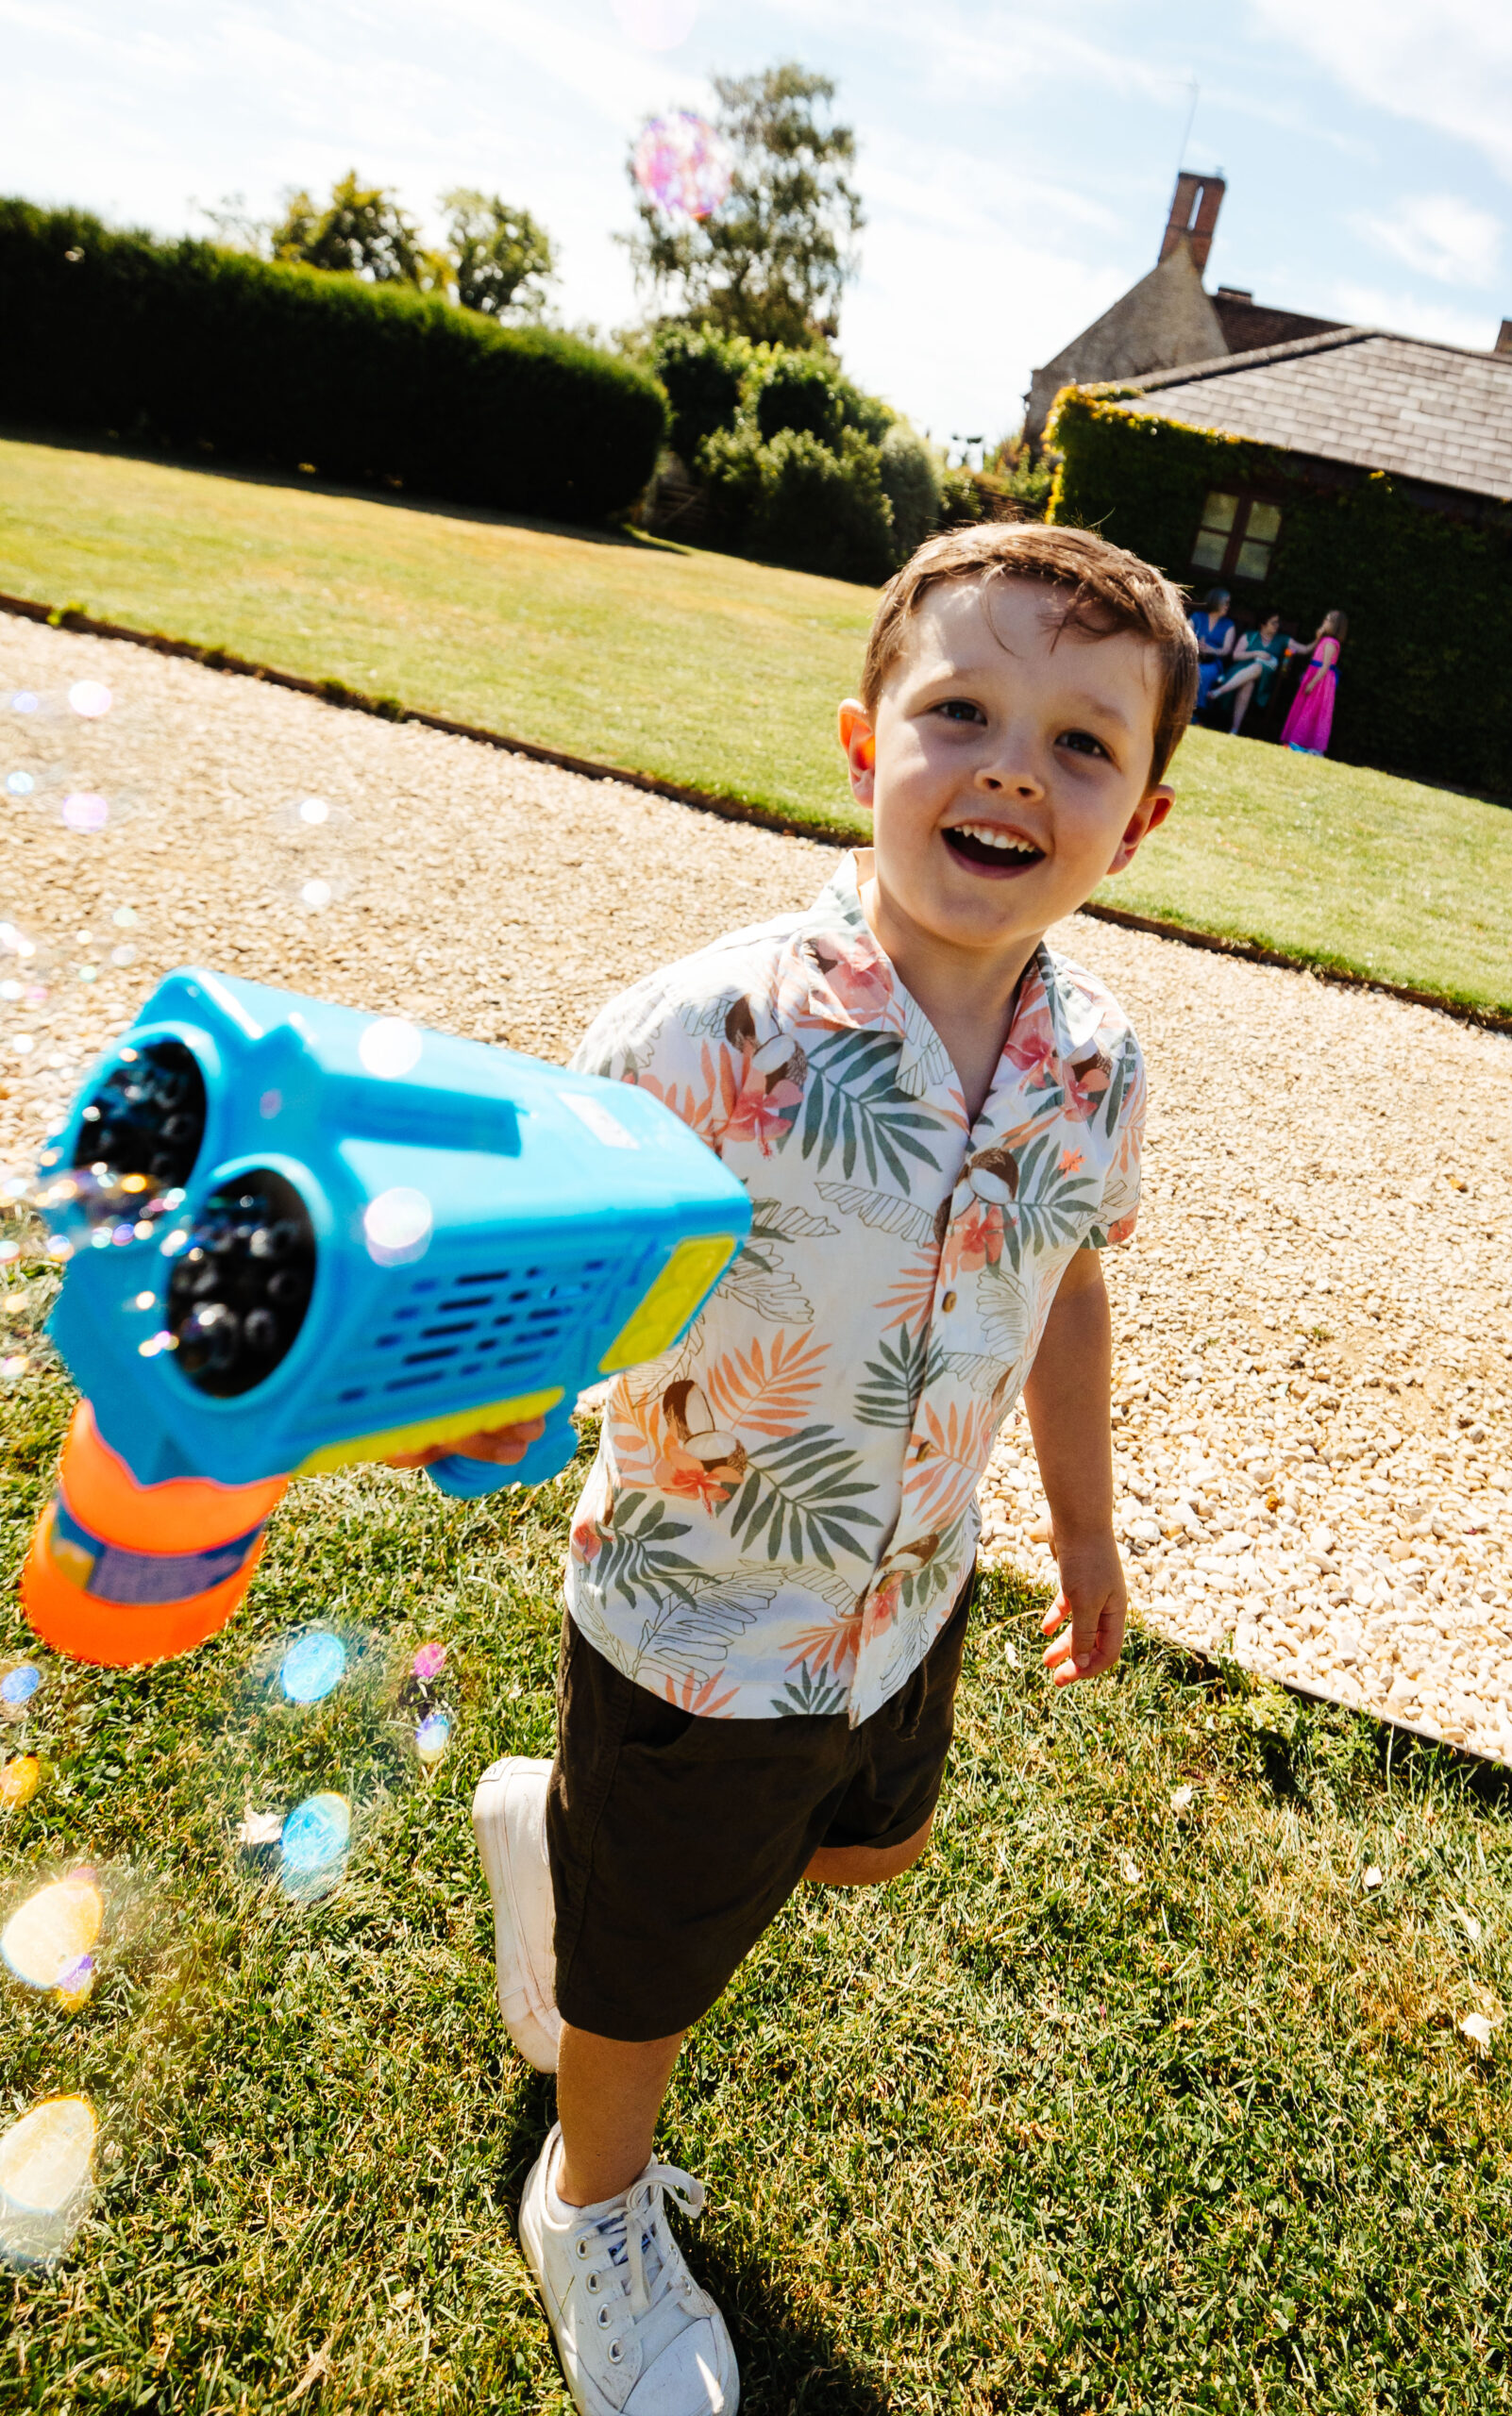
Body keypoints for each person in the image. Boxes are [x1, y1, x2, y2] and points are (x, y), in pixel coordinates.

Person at [422, 521, 1196, 2416]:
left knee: (866, 1849)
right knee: (654, 1968)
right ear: (864, 745)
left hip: (908, 1592)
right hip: (699, 1625)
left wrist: (1081, 1527)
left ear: (1141, 822)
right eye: (962, 711)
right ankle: (587, 2191)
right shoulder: (711, 1026)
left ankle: (557, 1839)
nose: (1013, 765)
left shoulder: (1091, 1062)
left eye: (1079, 744)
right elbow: (560, 1248)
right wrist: (487, 1374)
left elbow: (1064, 1280)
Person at [1210, 611, 1294, 736]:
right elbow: (1236, 656)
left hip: (1263, 682)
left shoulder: (1282, 639)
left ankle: (1220, 691)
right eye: (1273, 623)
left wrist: (1321, 638)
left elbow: (1304, 649)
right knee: (1248, 683)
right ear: (1263, 624)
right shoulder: (1250, 636)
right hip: (1239, 672)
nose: (1277, 625)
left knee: (1257, 668)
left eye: (1278, 623)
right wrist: (1256, 653)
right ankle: (1234, 730)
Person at [1281, 609, 1348, 755]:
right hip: (1314, 675)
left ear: (1336, 626)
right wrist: (1317, 638)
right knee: (1306, 708)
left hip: (1320, 681)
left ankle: (1308, 744)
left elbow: (1325, 666)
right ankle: (1299, 740)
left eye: (1328, 621)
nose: (1324, 622)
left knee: (1313, 710)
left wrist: (1312, 683)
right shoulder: (1324, 640)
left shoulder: (1330, 643)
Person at [1187, 587, 1237, 713]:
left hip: (1213, 662)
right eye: (1226, 603)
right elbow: (1184, 634)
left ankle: (1197, 711)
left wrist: (1212, 650)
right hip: (1192, 657)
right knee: (1187, 669)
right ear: (1216, 601)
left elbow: (1226, 650)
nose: (1228, 606)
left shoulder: (1229, 625)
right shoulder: (1198, 617)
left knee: (1202, 673)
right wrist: (1194, 643)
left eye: (1229, 604)